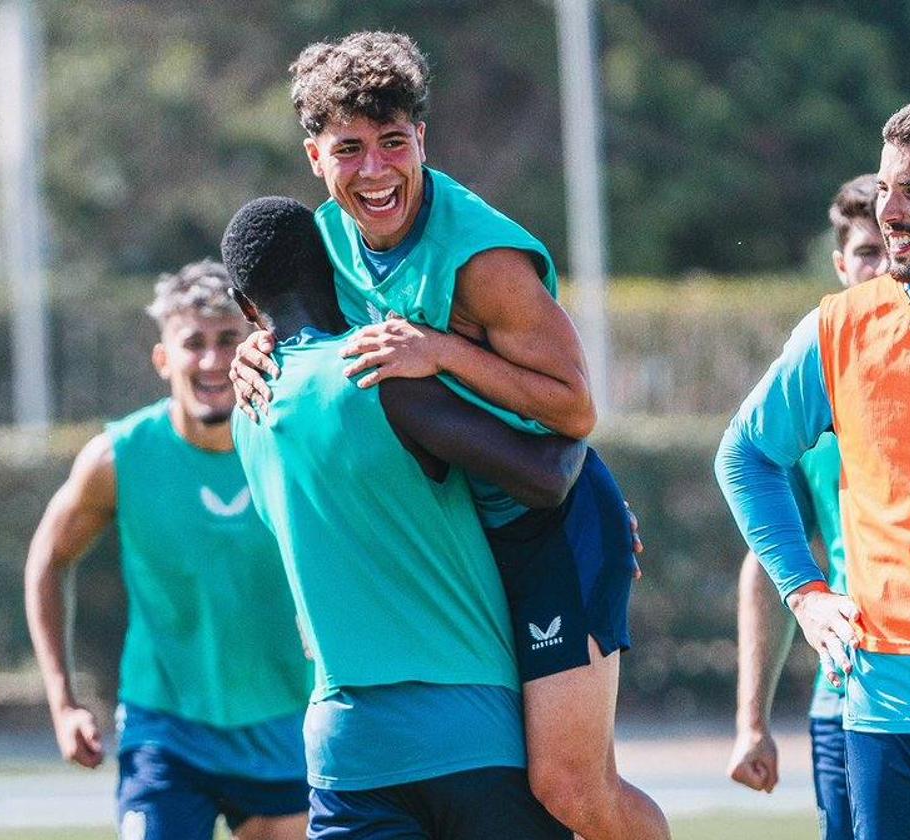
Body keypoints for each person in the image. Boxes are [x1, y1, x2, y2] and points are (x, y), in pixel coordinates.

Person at [229, 31, 665, 839]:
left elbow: (573, 411)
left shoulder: (483, 259)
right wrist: (254, 349)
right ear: (315, 157)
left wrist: (443, 351)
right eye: (350, 149)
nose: (375, 171)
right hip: (469, 532)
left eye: (394, 144)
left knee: (571, 791)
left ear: (421, 139)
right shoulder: (324, 243)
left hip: (550, 521)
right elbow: (291, 325)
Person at [225, 195, 594, 839]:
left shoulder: (246, 414)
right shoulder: (380, 374)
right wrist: (578, 424)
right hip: (470, 729)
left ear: (245, 308)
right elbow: (545, 479)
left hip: (345, 751)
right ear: (333, 267)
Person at [23, 260, 312, 840]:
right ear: (163, 359)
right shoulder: (118, 458)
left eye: (228, 340)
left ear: (256, 345)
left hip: (285, 728)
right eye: (193, 344)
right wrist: (63, 701)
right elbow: (48, 561)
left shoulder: (296, 445)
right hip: (166, 733)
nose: (211, 361)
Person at [716, 97, 910, 840]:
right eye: (886, 187)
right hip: (883, 711)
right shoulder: (841, 330)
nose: (892, 212)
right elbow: (744, 456)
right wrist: (805, 593)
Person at [725, 175, 886, 840]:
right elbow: (770, 559)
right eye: (868, 250)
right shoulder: (808, 403)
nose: (882, 265)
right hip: (849, 697)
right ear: (840, 265)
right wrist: (752, 722)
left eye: (895, 246)